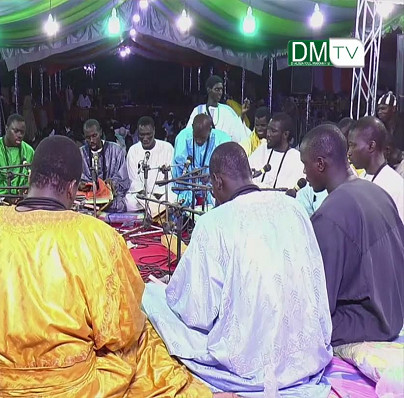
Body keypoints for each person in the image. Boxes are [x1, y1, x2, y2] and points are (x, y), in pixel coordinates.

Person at [0, 135, 216, 398]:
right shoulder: (95, 236)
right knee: (145, 335)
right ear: (72, 188)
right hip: (76, 387)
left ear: (29, 178)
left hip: (1, 385)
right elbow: (121, 331)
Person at [143, 142, 333, 397]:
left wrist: (172, 289)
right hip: (306, 352)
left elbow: (195, 311)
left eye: (212, 187)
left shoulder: (214, 223)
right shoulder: (294, 208)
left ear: (218, 182)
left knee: (151, 297)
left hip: (250, 364)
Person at [299, 124, 404, 346]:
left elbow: (320, 304)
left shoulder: (330, 215)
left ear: (320, 164)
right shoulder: (378, 192)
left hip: (367, 324)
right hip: (395, 313)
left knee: (293, 323)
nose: (303, 173)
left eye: (304, 165)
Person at [348, 116, 404, 222]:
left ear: (371, 146)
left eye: (353, 145)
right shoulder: (361, 178)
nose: (349, 152)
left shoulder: (396, 186)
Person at [173, 114, 231, 206]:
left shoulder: (223, 140)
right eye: (196, 137)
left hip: (212, 193)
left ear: (210, 129)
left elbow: (226, 172)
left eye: (202, 138)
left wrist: (211, 179)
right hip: (187, 191)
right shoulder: (182, 138)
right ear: (192, 127)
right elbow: (178, 174)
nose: (199, 141)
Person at [125, 116, 176, 214]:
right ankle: (156, 210)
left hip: (161, 194)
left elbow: (170, 177)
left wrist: (156, 195)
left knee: (173, 198)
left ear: (154, 131)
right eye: (142, 135)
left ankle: (153, 209)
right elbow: (132, 179)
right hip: (141, 196)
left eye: (148, 134)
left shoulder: (167, 148)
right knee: (129, 202)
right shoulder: (133, 150)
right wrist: (145, 195)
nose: (145, 138)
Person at [80, 119, 129, 212]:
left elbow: (124, 179)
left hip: (112, 198)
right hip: (88, 199)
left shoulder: (116, 150)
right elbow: (77, 179)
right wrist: (81, 185)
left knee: (122, 204)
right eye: (88, 137)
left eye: (94, 136)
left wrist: (112, 183)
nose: (91, 140)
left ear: (101, 132)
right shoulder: (80, 153)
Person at [0, 114, 34, 197]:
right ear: (6, 129)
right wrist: (6, 198)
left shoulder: (29, 151)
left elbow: (33, 178)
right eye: (16, 131)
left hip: (23, 201)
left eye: (22, 132)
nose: (19, 135)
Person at [186, 75, 251, 143]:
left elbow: (237, 130)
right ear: (209, 90)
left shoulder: (227, 110)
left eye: (221, 89)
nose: (220, 92)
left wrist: (243, 114)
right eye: (217, 89)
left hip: (221, 151)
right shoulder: (198, 110)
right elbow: (188, 134)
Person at [249, 112, 305, 190]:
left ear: (285, 134)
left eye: (273, 131)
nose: (268, 134)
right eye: (268, 129)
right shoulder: (262, 149)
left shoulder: (296, 159)